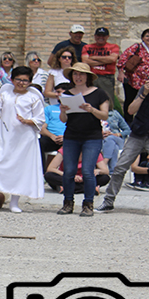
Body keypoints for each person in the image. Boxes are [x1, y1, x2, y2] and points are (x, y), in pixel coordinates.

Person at [96, 68, 149, 217]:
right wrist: (143, 94)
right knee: (120, 167)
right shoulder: (144, 90)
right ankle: (108, 201)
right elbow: (130, 110)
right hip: (138, 134)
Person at [0, 66, 45, 213]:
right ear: (12, 79)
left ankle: (14, 202)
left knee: (19, 168)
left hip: (24, 138)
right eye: (18, 79)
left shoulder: (34, 97)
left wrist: (27, 121)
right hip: (4, 134)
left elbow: (40, 119)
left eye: (25, 80)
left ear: (30, 82)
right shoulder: (5, 92)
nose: (21, 83)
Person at [56, 63, 110, 217]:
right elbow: (63, 119)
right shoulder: (67, 93)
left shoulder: (99, 93)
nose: (78, 77)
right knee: (69, 171)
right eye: (75, 74)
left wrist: (91, 109)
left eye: (81, 74)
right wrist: (63, 111)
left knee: (87, 170)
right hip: (72, 135)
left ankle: (88, 204)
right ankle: (68, 202)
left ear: (88, 77)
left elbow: (104, 115)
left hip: (92, 136)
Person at [117, 29, 149, 122]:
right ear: (142, 38)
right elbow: (123, 58)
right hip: (133, 79)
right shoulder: (136, 47)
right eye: (147, 36)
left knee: (146, 102)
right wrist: (121, 72)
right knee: (130, 100)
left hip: (148, 81)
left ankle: (143, 121)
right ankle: (128, 122)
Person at [44, 149, 110, 196]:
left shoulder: (94, 151)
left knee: (105, 178)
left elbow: (105, 171)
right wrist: (69, 175)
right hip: (67, 177)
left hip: (85, 178)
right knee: (49, 176)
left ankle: (68, 188)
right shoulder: (64, 150)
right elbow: (50, 169)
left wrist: (98, 171)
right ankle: (88, 188)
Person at [81, 27, 120, 103]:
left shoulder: (114, 47)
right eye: (98, 35)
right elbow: (85, 61)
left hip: (107, 78)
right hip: (91, 76)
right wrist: (106, 60)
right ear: (95, 36)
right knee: (89, 99)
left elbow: (112, 59)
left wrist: (93, 57)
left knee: (108, 100)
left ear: (107, 37)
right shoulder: (87, 47)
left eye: (103, 36)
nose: (101, 37)